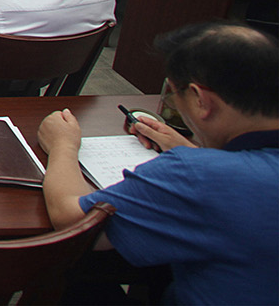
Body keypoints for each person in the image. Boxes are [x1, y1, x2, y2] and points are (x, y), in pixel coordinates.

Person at [37, 21, 279, 305]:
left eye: (175, 95)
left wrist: (62, 145)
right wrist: (189, 148)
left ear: (201, 100)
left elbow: (75, 223)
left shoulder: (196, 175)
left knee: (70, 276)